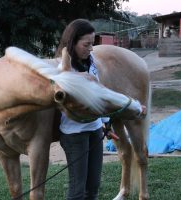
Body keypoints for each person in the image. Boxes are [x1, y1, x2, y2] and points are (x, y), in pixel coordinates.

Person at [55, 19, 109, 200]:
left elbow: (98, 95)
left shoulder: (91, 62)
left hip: (94, 130)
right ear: (72, 43)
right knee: (77, 190)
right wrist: (82, 77)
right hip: (75, 134)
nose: (91, 48)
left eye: (92, 44)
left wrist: (105, 122)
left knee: (93, 186)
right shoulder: (62, 70)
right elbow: (65, 83)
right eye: (86, 44)